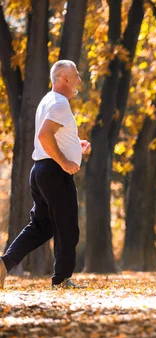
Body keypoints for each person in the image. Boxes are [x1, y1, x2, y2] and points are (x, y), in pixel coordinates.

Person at [0, 60, 90, 290]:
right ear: (65, 79)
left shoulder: (48, 100)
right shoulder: (60, 104)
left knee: (42, 226)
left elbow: (51, 137)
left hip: (40, 170)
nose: (79, 79)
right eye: (76, 75)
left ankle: (4, 264)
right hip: (53, 171)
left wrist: (74, 146)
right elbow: (44, 136)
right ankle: (61, 280)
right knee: (67, 225)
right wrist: (64, 161)